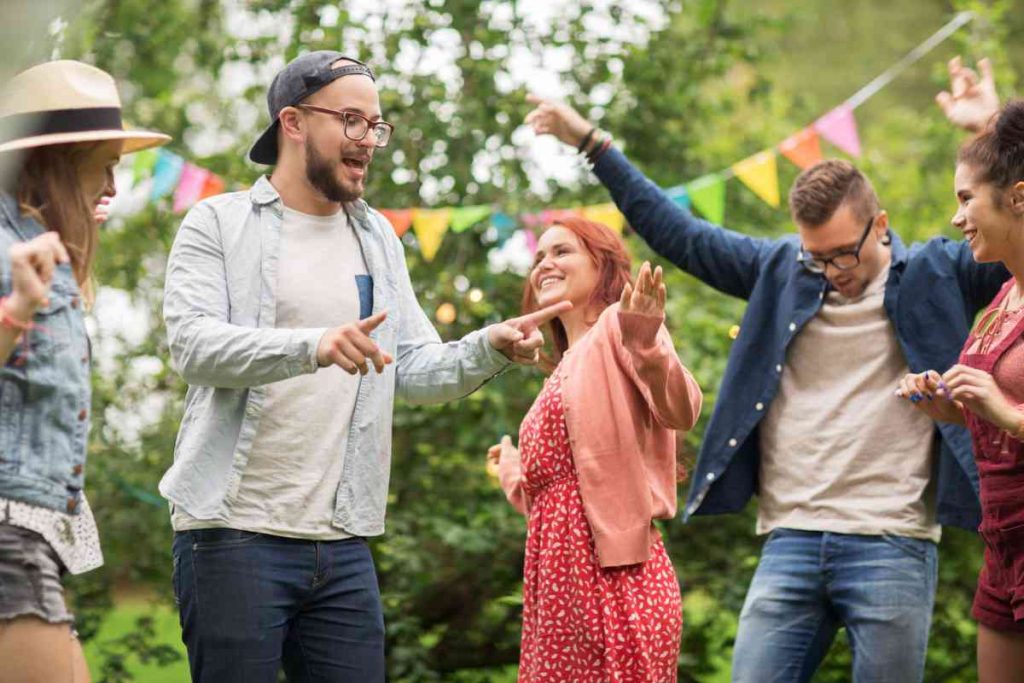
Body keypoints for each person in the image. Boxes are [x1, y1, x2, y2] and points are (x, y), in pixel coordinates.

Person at [524, 56, 1005, 682]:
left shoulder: (942, 271)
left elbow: (1016, 229)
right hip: (791, 539)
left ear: (880, 225)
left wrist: (990, 129)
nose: (831, 271)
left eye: (843, 255)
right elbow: (680, 233)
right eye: (817, 256)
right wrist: (591, 143)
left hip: (894, 540)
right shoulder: (783, 270)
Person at [160, 50, 567, 682]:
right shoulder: (218, 223)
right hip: (233, 535)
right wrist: (313, 345)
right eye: (351, 120)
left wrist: (489, 345)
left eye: (376, 125)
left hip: (342, 542)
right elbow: (194, 348)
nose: (369, 140)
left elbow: (408, 366)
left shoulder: (375, 236)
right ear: (293, 123)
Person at [0, 60, 169, 682]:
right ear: (62, 164)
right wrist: (16, 308)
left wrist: (67, 237)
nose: (114, 189)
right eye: (105, 167)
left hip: (29, 533)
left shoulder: (35, 246)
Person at [489, 217, 701, 682]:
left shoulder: (618, 326)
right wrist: (514, 472)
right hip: (558, 588)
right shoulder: (562, 368)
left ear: (601, 265)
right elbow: (563, 498)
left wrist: (646, 341)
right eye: (539, 256)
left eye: (562, 251)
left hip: (614, 581)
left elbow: (682, 409)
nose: (545, 263)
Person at [897, 100, 1024, 682]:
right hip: (1001, 544)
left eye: (966, 199)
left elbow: (1011, 412)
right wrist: (950, 407)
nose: (956, 218)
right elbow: (997, 419)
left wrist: (1003, 409)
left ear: (1017, 198)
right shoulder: (1002, 301)